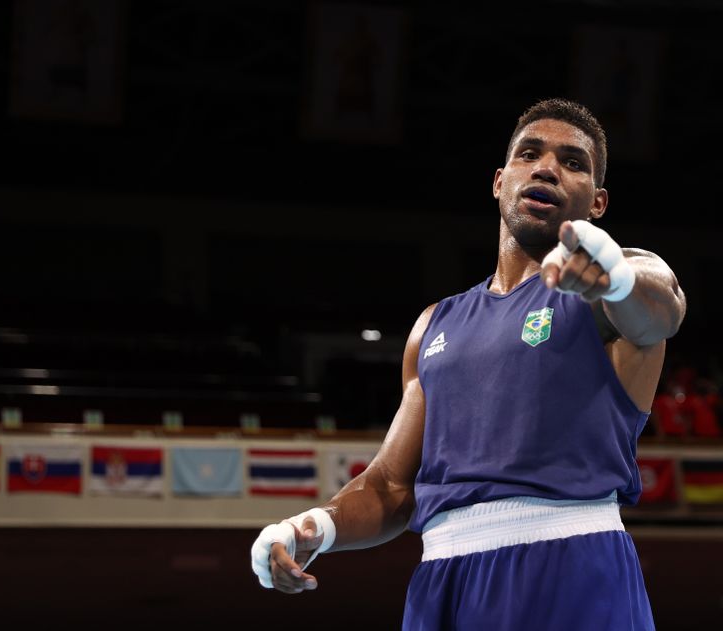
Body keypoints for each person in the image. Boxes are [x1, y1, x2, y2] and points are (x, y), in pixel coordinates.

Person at [251, 98, 687, 630]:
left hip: (569, 564)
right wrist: (312, 526)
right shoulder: (434, 325)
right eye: (531, 154)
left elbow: (661, 310)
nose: (547, 167)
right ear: (500, 181)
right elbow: (390, 485)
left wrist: (615, 276)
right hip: (442, 582)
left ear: (597, 203)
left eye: (573, 162)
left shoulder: (615, 288)